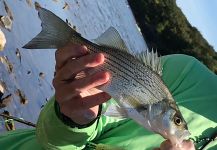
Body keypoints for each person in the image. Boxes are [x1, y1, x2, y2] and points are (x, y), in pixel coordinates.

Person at [0, 43, 217, 150]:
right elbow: (51, 138)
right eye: (177, 120)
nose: (179, 126)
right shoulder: (186, 72)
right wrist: (72, 119)